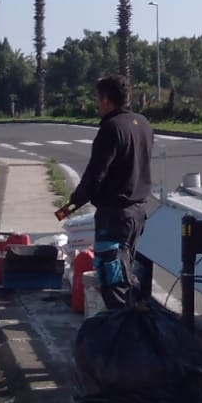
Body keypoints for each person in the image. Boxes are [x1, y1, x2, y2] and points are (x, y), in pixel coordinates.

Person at [55, 74, 155, 306]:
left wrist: (70, 206)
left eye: (98, 99)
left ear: (106, 99)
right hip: (138, 213)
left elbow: (95, 175)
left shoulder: (111, 128)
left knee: (113, 282)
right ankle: (132, 327)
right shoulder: (143, 124)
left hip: (115, 216)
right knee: (126, 273)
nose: (98, 104)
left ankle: (121, 335)